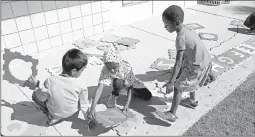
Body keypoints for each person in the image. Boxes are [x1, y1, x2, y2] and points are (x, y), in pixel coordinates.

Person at [155, 5, 212, 124]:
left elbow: (178, 62)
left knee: (178, 86)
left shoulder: (180, 38)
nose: (165, 27)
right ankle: (192, 101)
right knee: (189, 79)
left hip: (196, 66)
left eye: (166, 24)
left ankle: (171, 114)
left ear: (176, 23)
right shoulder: (187, 29)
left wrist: (171, 82)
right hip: (203, 61)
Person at [26, 48, 94, 126]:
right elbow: (84, 105)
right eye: (82, 70)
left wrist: (37, 85)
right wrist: (89, 119)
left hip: (55, 112)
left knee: (35, 96)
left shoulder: (51, 80)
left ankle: (52, 116)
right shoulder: (81, 84)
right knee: (81, 99)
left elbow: (42, 97)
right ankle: (57, 114)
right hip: (71, 112)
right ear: (74, 71)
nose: (82, 72)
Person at [87, 47, 152, 119]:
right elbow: (99, 88)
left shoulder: (126, 67)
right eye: (109, 68)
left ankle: (129, 89)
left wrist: (127, 104)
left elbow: (130, 87)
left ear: (119, 63)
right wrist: (93, 108)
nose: (111, 70)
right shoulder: (105, 69)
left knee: (147, 96)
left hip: (130, 81)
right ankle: (114, 94)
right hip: (118, 82)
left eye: (114, 67)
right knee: (117, 81)